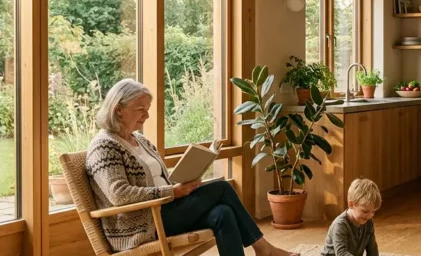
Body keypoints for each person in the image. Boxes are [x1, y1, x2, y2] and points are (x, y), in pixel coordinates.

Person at [86, 79, 296, 256]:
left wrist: (180, 184)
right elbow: (118, 195)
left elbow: (160, 179)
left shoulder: (140, 141)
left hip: (165, 210)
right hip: (143, 224)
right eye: (140, 109)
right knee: (221, 188)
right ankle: (264, 249)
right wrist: (172, 192)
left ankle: (263, 250)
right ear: (118, 110)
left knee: (223, 213)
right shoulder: (104, 146)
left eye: (147, 110)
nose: (146, 116)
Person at [321, 178, 382, 256]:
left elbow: (372, 248)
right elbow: (341, 253)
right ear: (351, 205)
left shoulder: (368, 222)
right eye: (365, 211)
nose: (370, 216)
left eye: (373, 212)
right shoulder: (340, 225)